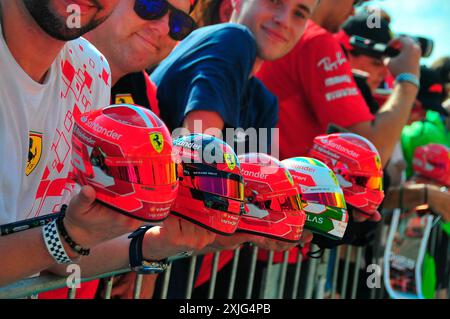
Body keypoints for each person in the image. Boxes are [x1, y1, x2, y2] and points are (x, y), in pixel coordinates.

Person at [0, 0, 215, 298]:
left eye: (180, 24)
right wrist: (65, 237)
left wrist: (153, 244)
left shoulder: (91, 68)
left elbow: (56, 257)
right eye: (151, 6)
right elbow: (59, 241)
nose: (164, 27)